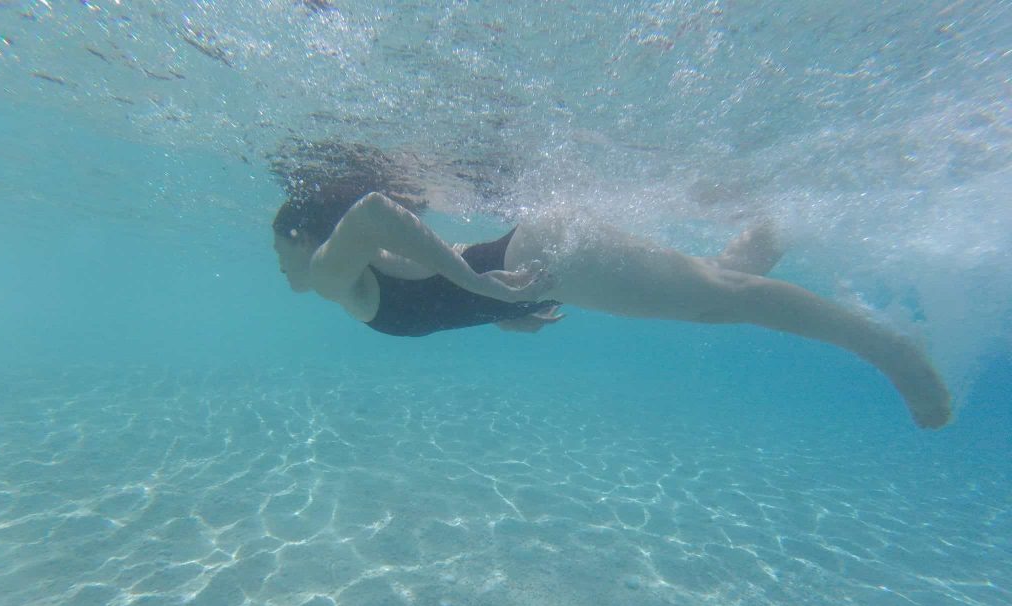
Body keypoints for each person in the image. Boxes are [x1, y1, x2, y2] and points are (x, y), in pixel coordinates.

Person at [273, 189, 951, 429]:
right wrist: (500, 311)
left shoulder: (334, 272)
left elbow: (372, 212)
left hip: (550, 256)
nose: (281, 271)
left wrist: (486, 290)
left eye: (282, 253)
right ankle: (781, 217)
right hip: (547, 261)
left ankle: (892, 350)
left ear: (307, 239)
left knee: (720, 303)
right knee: (716, 286)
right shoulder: (367, 271)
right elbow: (448, 279)